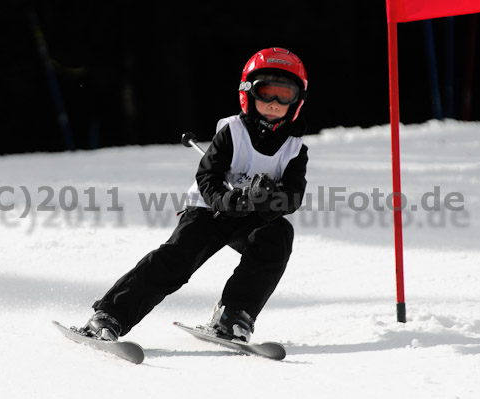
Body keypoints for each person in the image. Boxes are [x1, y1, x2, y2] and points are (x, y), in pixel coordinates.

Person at [79, 47, 309, 343]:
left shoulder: (294, 149)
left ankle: (235, 316)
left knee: (277, 237)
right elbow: (207, 177)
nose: (275, 103)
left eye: (284, 95)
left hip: (254, 218)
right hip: (209, 211)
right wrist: (229, 200)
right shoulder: (233, 132)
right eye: (266, 92)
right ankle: (110, 315)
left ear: (297, 100)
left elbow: (294, 196)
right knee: (177, 260)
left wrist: (270, 200)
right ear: (249, 93)